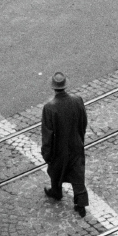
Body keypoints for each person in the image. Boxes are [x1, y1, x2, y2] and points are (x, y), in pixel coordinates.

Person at [41, 72, 89, 217]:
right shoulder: (77, 100)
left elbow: (47, 134)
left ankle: (56, 192)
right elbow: (83, 122)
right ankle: (80, 203)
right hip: (75, 144)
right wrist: (79, 138)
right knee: (78, 174)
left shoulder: (49, 108)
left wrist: (46, 153)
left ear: (53, 87)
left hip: (59, 148)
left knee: (56, 171)